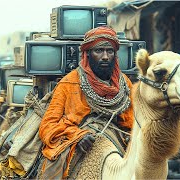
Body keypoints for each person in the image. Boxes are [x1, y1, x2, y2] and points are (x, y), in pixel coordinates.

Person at [38, 26, 134, 179]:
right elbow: (47, 126)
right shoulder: (69, 83)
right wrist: (77, 135)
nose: (105, 56)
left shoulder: (125, 85)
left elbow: (132, 123)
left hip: (116, 140)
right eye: (99, 51)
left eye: (110, 51)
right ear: (87, 54)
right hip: (80, 141)